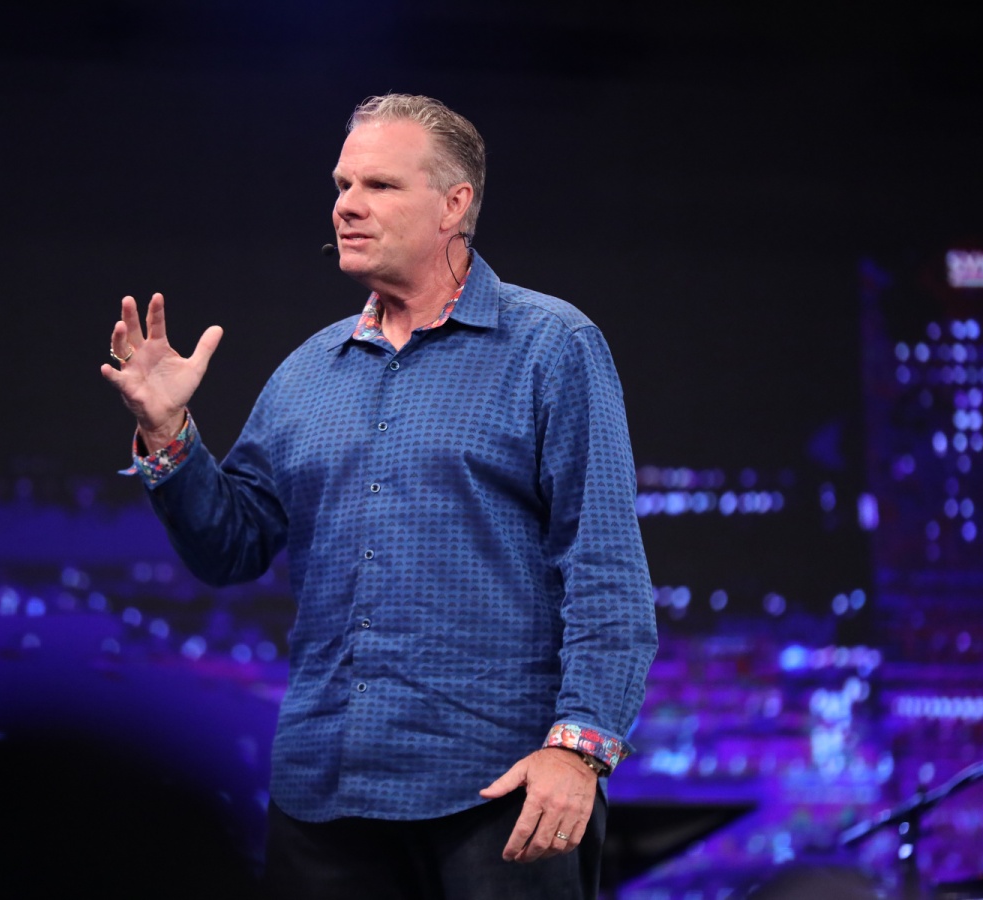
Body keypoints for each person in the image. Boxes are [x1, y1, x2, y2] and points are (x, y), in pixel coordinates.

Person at [100, 94, 657, 899]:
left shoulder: (552, 346)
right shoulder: (309, 371)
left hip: (501, 792)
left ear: (454, 205)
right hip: (325, 797)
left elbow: (604, 565)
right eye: (342, 185)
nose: (347, 206)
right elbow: (231, 548)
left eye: (380, 186)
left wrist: (580, 749)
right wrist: (166, 431)